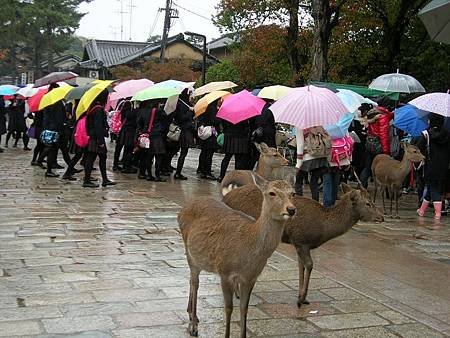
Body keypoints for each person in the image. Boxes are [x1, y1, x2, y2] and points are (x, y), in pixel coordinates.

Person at [416, 113, 450, 221]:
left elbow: (418, 149)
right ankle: (421, 210)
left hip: (430, 165)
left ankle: (438, 213)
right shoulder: (447, 134)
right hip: (444, 166)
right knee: (431, 186)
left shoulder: (426, 134)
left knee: (434, 188)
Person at [83, 89, 115, 188]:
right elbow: (98, 126)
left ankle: (104, 179)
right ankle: (87, 180)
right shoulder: (99, 109)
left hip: (92, 137)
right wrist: (101, 141)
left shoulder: (92, 107)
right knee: (92, 158)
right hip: (97, 138)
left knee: (99, 157)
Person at [360, 105, 393, 188]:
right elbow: (383, 135)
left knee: (367, 167)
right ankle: (387, 191)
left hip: (370, 144)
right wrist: (386, 151)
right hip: (378, 145)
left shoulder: (373, 113)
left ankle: (362, 186)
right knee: (384, 168)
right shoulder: (383, 116)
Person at [294, 128, 329, 200]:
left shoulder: (300, 127)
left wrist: (298, 164)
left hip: (307, 159)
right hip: (320, 157)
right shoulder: (319, 126)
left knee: (298, 182)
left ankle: (299, 203)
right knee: (314, 183)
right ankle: (315, 205)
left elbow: (300, 145)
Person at [248, 100, 277, 169]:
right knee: (268, 154)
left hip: (259, 134)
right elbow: (272, 121)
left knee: (256, 154)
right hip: (268, 135)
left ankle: (251, 170)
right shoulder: (271, 109)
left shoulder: (258, 108)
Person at [174, 89, 195, 180]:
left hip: (186, 130)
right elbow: (181, 118)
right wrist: (190, 112)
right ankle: (178, 172)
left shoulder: (186, 104)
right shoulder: (180, 104)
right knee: (183, 153)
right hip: (184, 131)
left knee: (183, 152)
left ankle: (178, 171)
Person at [197, 100, 220, 180]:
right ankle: (207, 172)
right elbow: (214, 121)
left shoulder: (206, 108)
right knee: (209, 154)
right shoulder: (213, 109)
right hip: (210, 134)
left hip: (206, 134)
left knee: (204, 152)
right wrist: (219, 116)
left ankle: (203, 171)